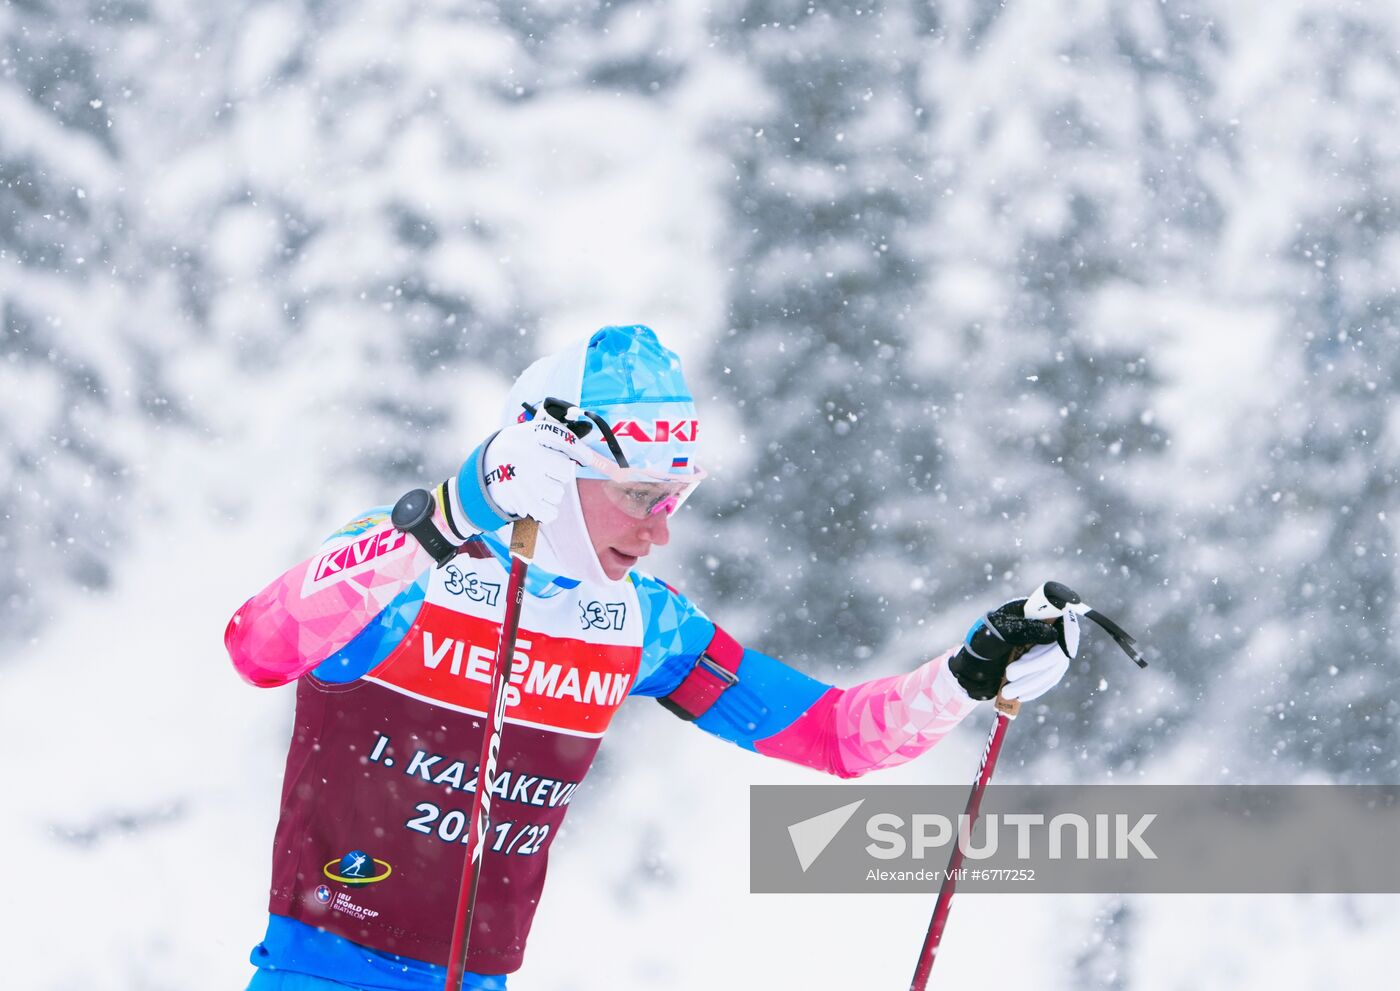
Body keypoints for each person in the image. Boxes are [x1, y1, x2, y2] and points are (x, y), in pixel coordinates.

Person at [225, 325, 1075, 990]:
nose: (661, 527)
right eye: (639, 496)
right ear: (549, 473)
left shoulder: (640, 624)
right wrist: (454, 512)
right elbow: (258, 645)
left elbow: (837, 736)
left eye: (675, 498)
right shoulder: (409, 568)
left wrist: (965, 678)